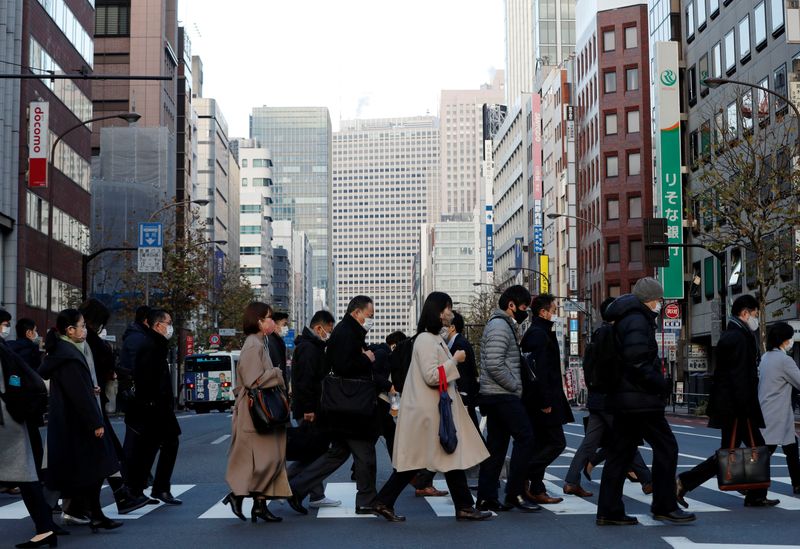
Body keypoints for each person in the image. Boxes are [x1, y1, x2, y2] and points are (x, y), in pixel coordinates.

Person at [371, 292, 491, 522]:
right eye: (447, 308)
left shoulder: (433, 338)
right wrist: (455, 360)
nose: (450, 313)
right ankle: (463, 506)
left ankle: (462, 506)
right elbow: (431, 376)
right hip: (430, 413)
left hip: (434, 411)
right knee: (435, 458)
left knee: (444, 457)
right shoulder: (426, 340)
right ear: (436, 311)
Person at [596, 278, 695, 525]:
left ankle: (609, 510)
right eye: (659, 300)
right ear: (650, 299)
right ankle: (664, 505)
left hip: (625, 398)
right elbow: (637, 361)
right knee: (666, 447)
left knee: (620, 453)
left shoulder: (626, 317)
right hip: (640, 399)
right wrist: (660, 384)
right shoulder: (638, 320)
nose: (660, 305)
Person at [677, 294, 777, 508]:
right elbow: (739, 376)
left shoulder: (733, 334)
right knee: (754, 449)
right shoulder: (738, 337)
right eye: (755, 314)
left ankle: (755, 495)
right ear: (745, 313)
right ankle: (685, 482)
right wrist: (746, 408)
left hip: (732, 404)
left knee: (734, 450)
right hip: (738, 406)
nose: (756, 319)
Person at [286, 296, 381, 515]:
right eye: (370, 315)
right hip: (351, 407)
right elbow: (343, 366)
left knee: (337, 454)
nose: (371, 319)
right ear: (357, 313)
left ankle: (296, 489)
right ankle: (366, 499)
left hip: (342, 407)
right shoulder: (347, 333)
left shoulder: (346, 332)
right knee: (364, 453)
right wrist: (366, 358)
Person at [39, 309, 122, 533]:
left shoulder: (66, 351)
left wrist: (90, 388)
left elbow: (75, 388)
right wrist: (96, 423)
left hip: (70, 421)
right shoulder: (69, 354)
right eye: (82, 325)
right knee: (62, 475)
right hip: (76, 423)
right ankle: (44, 521)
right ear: (70, 330)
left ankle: (95, 514)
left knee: (93, 468)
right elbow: (78, 394)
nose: (85, 329)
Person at [564, 297, 652, 498]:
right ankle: (648, 480)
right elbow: (616, 367)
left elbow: (588, 367)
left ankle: (571, 480)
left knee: (589, 443)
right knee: (626, 439)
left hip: (596, 397)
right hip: (610, 398)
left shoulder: (596, 335)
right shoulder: (612, 334)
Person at [223, 302, 292, 522]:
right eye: (269, 318)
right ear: (259, 321)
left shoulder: (260, 342)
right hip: (254, 411)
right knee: (265, 459)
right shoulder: (253, 344)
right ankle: (238, 494)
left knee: (270, 459)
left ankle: (259, 505)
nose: (273, 322)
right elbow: (254, 380)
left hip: (259, 410)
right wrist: (277, 373)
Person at [80, 299, 149, 515]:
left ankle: (108, 504)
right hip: (91, 406)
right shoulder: (90, 343)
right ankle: (119, 498)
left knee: (101, 454)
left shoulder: (77, 342)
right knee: (103, 453)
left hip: (88, 405)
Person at [476, 285, 540, 513]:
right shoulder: (499, 326)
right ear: (511, 304)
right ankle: (514, 493)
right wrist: (515, 385)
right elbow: (494, 364)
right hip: (502, 394)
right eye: (523, 307)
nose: (525, 312)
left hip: (495, 394)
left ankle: (487, 497)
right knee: (526, 438)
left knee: (497, 446)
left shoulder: (501, 325)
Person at [125, 309, 182, 505]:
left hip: (156, 406)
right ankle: (145, 489)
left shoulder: (155, 343)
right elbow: (146, 378)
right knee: (153, 447)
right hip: (154, 406)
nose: (170, 327)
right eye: (169, 322)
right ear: (158, 325)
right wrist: (152, 402)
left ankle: (145, 488)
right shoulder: (150, 345)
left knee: (155, 446)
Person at [521, 293, 573, 505]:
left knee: (542, 442)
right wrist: (545, 402)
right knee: (556, 442)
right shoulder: (538, 334)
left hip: (541, 399)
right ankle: (524, 474)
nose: (555, 314)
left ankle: (537, 487)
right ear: (543, 312)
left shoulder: (538, 332)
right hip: (542, 401)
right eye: (553, 310)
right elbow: (539, 371)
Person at [287, 309, 340, 508]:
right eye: (329, 329)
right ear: (319, 328)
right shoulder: (309, 348)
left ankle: (316, 494)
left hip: (311, 407)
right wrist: (309, 408)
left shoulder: (310, 346)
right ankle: (281, 484)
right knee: (314, 453)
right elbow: (306, 381)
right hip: (310, 409)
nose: (329, 333)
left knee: (312, 453)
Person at [758, 322, 800, 493]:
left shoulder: (765, 357)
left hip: (768, 411)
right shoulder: (784, 360)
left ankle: (797, 482)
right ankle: (754, 487)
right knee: (766, 452)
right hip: (777, 414)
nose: (791, 341)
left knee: (791, 446)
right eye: (790, 338)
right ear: (784, 340)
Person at [446, 312, 480, 431]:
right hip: (465, 397)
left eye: (444, 324)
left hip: (463, 397)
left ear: (452, 327)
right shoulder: (458, 342)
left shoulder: (459, 345)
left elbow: (463, 374)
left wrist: (463, 395)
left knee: (471, 433)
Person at [268, 312, 289, 377]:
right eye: (284, 324)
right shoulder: (270, 342)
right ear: (274, 325)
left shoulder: (278, 342)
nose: (286, 328)